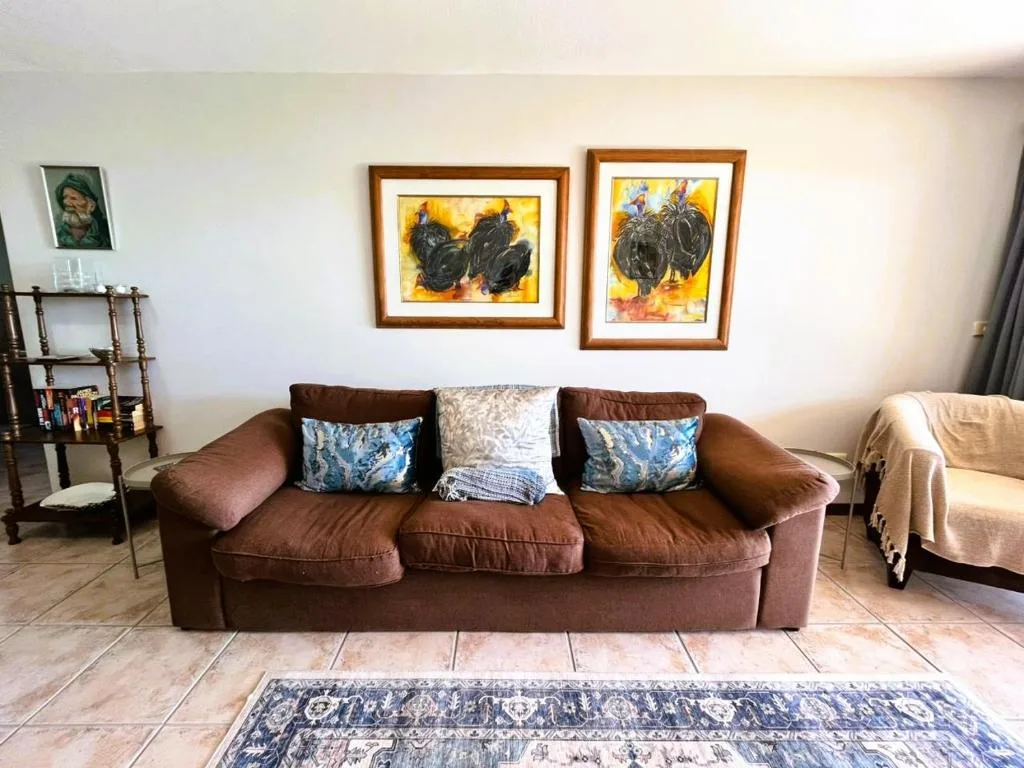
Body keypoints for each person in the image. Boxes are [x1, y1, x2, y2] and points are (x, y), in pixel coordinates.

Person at [53, 173, 111, 249]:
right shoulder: (59, 233)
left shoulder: (105, 230)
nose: (66, 203)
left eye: (74, 198)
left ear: (91, 205)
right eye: (64, 197)